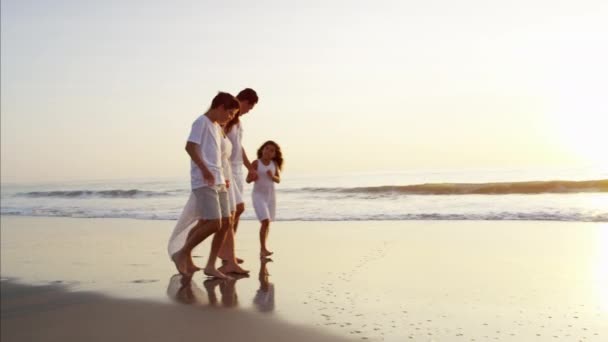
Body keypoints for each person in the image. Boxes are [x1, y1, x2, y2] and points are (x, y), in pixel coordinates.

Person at [167, 92, 239, 279]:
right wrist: (204, 169)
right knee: (214, 222)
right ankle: (182, 252)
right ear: (221, 107)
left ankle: (210, 265)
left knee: (226, 223)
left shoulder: (216, 127)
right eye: (230, 113)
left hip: (219, 179)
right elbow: (190, 147)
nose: (230, 117)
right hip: (204, 180)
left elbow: (217, 155)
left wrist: (223, 176)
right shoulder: (201, 122)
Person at [247, 140, 283, 257]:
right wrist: (253, 177)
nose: (268, 151)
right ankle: (263, 249)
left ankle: (264, 249)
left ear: (274, 154)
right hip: (258, 196)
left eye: (272, 150)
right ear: (262, 149)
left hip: (270, 197)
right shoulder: (256, 163)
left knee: (267, 223)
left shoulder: (274, 164)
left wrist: (272, 176)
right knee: (265, 221)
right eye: (267, 148)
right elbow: (248, 180)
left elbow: (278, 180)